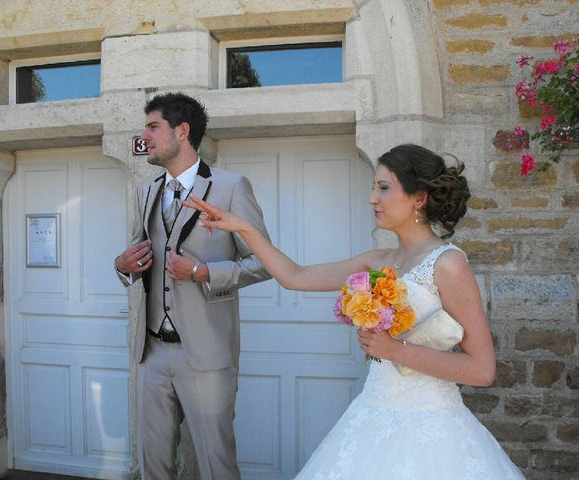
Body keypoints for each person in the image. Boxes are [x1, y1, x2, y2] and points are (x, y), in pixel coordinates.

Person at [184, 144, 525, 479]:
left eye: (384, 187)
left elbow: (482, 369)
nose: (372, 198)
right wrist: (243, 227)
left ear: (419, 197)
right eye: (373, 187)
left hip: (432, 425)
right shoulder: (377, 261)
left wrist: (395, 350)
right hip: (371, 414)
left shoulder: (448, 265)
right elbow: (294, 276)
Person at [114, 92, 270, 480]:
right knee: (154, 464)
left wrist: (203, 272)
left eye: (153, 126)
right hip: (151, 352)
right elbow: (135, 253)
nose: (145, 135)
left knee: (214, 463)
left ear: (182, 131)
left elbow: (263, 263)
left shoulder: (231, 187)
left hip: (206, 353)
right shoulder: (145, 191)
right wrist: (122, 265)